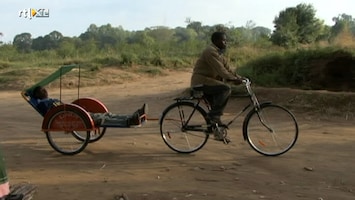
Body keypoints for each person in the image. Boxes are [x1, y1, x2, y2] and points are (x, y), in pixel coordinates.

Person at [191, 31, 244, 126]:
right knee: (225, 89)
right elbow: (220, 70)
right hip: (201, 82)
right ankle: (213, 116)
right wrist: (232, 79)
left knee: (216, 107)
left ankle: (216, 129)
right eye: (223, 40)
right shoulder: (210, 51)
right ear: (216, 41)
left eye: (226, 41)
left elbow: (227, 69)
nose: (225, 43)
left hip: (209, 82)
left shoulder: (219, 54)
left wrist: (239, 77)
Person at [31, 86, 147, 127]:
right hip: (75, 115)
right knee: (104, 117)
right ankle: (130, 119)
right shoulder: (51, 100)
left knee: (104, 116)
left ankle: (132, 118)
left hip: (75, 115)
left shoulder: (44, 102)